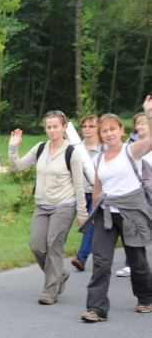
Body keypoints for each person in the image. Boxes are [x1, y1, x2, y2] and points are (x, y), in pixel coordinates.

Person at [80, 104, 152, 322]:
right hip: (106, 213)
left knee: (137, 260)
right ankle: (96, 308)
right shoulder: (98, 159)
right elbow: (97, 189)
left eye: (113, 129)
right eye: (104, 130)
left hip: (131, 212)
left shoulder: (131, 151)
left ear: (121, 130)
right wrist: (92, 214)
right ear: (100, 136)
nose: (109, 133)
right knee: (101, 261)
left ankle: (146, 298)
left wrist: (149, 114)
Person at [9, 110, 87, 305]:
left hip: (64, 206)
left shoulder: (72, 153)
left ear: (64, 128)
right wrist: (12, 148)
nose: (51, 130)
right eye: (48, 127)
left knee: (54, 246)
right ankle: (60, 272)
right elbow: (17, 167)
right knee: (36, 245)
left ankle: (50, 291)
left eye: (55, 126)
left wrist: (83, 213)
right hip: (41, 206)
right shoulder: (40, 147)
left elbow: (79, 185)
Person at [112, 112, 150, 278]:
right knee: (132, 230)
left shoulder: (147, 145)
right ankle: (130, 264)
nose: (140, 126)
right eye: (138, 123)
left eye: (144, 123)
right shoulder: (130, 144)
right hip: (137, 194)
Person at [71, 115, 102, 272]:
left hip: (99, 193)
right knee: (92, 225)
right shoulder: (76, 148)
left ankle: (81, 258)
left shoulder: (103, 148)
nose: (88, 129)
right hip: (80, 193)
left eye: (92, 126)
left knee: (89, 223)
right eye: (85, 126)